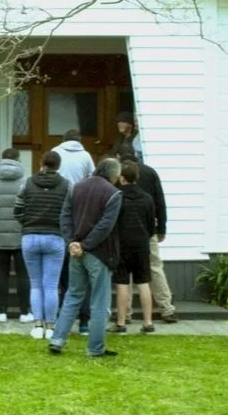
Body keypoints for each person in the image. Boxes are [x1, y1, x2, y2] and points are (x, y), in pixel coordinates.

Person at [48, 158, 123, 358]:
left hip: (76, 250)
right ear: (114, 175)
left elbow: (64, 216)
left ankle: (57, 339)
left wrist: (72, 242)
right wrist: (85, 245)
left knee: (73, 295)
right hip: (98, 252)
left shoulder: (76, 187)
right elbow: (105, 225)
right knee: (99, 301)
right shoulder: (113, 193)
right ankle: (95, 348)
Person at [116, 143, 177, 323]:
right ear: (135, 154)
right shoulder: (150, 172)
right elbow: (160, 201)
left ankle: (124, 315)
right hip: (147, 231)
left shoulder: (118, 176)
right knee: (154, 268)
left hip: (124, 234)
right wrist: (161, 228)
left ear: (119, 157)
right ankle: (166, 308)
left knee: (123, 276)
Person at [15, 150, 70, 340]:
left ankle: (37, 325)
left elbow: (17, 210)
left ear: (42, 163)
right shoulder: (66, 185)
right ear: (58, 165)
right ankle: (51, 327)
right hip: (55, 237)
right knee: (51, 286)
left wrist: (27, 224)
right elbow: (70, 212)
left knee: (36, 284)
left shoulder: (28, 183)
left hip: (30, 237)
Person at [52, 130, 95, 334]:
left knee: (62, 275)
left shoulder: (55, 152)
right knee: (81, 275)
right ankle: (85, 322)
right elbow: (92, 178)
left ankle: (61, 318)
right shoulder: (85, 155)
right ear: (79, 140)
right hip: (82, 211)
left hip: (60, 214)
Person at [0, 148, 31, 323]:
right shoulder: (26, 182)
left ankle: (1, 312)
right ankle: (25, 312)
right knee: (22, 274)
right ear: (18, 159)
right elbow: (30, 208)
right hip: (20, 234)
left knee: (2, 273)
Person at [111, 160, 157, 334]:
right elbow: (151, 225)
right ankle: (148, 322)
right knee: (143, 282)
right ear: (136, 177)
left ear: (121, 178)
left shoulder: (116, 196)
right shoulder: (146, 198)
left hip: (122, 244)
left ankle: (121, 322)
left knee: (122, 283)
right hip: (141, 243)